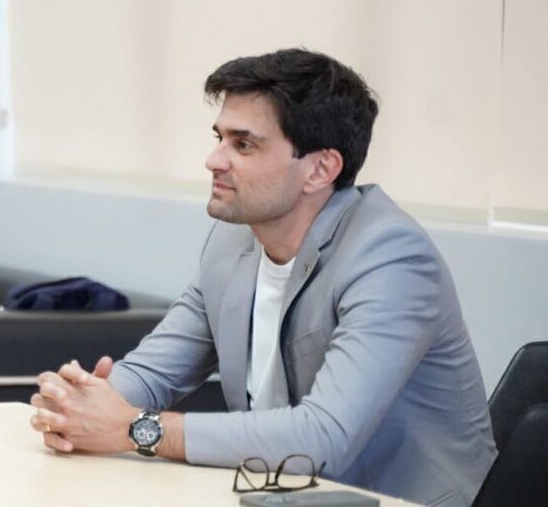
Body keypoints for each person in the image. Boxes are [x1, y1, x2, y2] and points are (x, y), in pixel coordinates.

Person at [29, 49, 496, 505]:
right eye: (219, 138)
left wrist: (136, 429)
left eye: (243, 144)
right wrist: (82, 404)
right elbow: (154, 372)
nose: (214, 160)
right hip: (280, 497)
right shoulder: (232, 243)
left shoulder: (390, 258)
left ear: (320, 168)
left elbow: (322, 437)